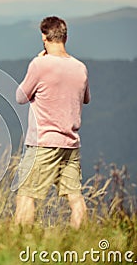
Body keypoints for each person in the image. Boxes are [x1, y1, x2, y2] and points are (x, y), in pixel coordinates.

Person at [14, 16, 91, 229]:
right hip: (71, 144)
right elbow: (86, 98)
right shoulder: (80, 67)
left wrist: (39, 62)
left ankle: (20, 243)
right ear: (66, 37)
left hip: (43, 143)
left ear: (44, 37)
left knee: (27, 195)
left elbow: (20, 96)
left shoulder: (40, 64)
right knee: (75, 198)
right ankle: (80, 241)